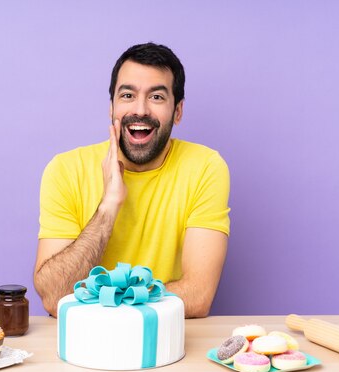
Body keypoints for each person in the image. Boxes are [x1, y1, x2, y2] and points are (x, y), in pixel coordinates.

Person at [33, 42, 230, 318]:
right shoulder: (65, 170)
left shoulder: (205, 168)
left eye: (157, 97)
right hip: (85, 344)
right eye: (127, 95)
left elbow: (198, 296)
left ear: (178, 111)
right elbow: (55, 297)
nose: (141, 110)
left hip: (165, 342)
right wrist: (108, 206)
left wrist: (110, 302)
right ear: (112, 106)